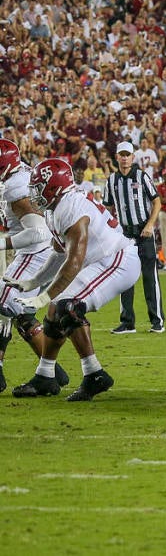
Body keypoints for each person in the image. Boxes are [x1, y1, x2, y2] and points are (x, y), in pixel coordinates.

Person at [3, 158, 139, 402]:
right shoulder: (57, 207)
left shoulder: (70, 207)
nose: (34, 193)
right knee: (56, 310)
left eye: (39, 186)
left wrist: (43, 296)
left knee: (68, 305)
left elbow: (73, 262)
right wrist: (34, 282)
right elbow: (57, 252)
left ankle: (94, 373)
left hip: (118, 260)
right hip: (101, 261)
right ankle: (45, 376)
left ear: (54, 186)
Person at [0, 138, 69, 393]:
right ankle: (51, 372)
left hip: (35, 253)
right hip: (35, 253)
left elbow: (38, 233)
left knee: (5, 303)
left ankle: (47, 374)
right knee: (20, 312)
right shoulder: (18, 175)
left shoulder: (14, 189)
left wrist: (1, 243)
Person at [104, 141, 164, 334]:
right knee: (125, 277)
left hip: (143, 231)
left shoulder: (142, 176)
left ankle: (157, 321)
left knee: (149, 276)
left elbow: (157, 202)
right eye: (121, 154)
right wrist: (110, 230)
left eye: (127, 154)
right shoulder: (111, 181)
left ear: (132, 157)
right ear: (116, 157)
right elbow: (107, 208)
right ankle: (127, 322)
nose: (124, 157)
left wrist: (150, 225)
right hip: (124, 233)